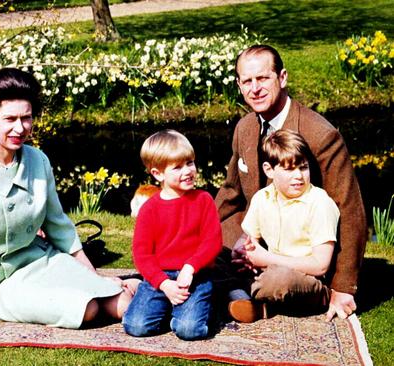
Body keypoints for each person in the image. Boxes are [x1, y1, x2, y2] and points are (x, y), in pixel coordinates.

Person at [0, 68, 139, 334]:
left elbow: (58, 226)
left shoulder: (38, 160)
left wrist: (93, 277)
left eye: (26, 118)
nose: (20, 128)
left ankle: (148, 291)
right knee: (86, 310)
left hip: (42, 261)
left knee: (120, 303)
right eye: (10, 119)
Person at [215, 45, 367, 321]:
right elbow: (230, 192)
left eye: (263, 79)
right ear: (239, 85)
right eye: (247, 81)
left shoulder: (321, 135)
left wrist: (344, 287)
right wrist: (198, 233)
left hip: (304, 256)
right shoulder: (245, 128)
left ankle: (239, 292)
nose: (255, 88)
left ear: (282, 78)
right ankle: (238, 291)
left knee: (279, 280)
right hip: (263, 233)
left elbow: (349, 208)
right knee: (209, 248)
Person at [227, 130, 340, 323]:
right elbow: (248, 237)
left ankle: (252, 303)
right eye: (289, 169)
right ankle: (246, 299)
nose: (298, 176)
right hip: (268, 270)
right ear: (268, 170)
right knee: (220, 262)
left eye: (303, 168)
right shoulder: (263, 197)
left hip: (306, 279)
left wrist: (265, 259)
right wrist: (242, 251)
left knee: (278, 279)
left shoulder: (319, 203)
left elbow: (321, 265)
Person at [122, 130, 222, 340]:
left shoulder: (203, 200)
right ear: (158, 174)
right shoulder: (150, 209)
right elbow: (142, 255)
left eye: (190, 163)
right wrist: (164, 284)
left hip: (195, 276)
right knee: (136, 326)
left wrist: (191, 266)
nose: (188, 171)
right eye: (177, 167)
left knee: (189, 330)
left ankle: (208, 306)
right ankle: (163, 302)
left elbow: (212, 242)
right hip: (160, 278)